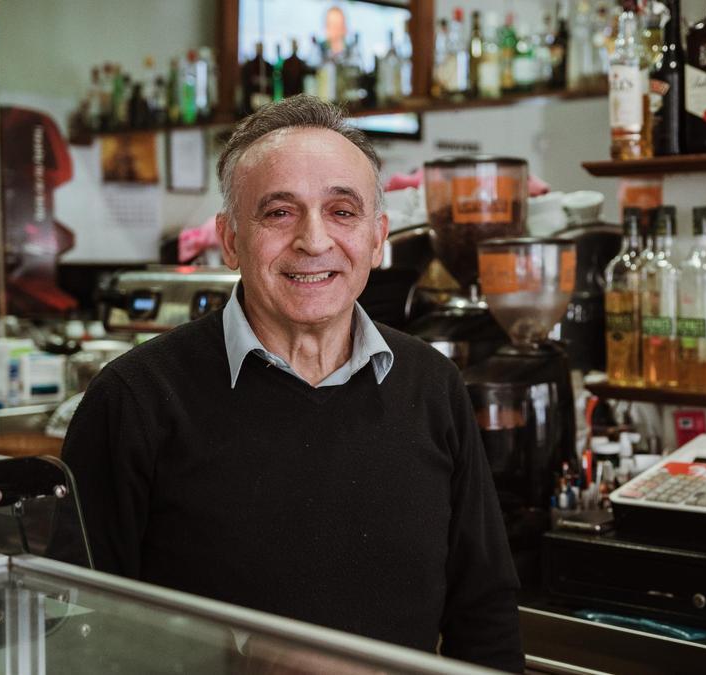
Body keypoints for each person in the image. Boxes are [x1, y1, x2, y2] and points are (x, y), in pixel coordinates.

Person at [57, 95, 524, 671]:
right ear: (229, 240)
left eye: (342, 212)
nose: (314, 240)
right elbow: (79, 629)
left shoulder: (432, 385)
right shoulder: (135, 399)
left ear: (378, 239)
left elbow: (485, 613)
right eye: (279, 212)